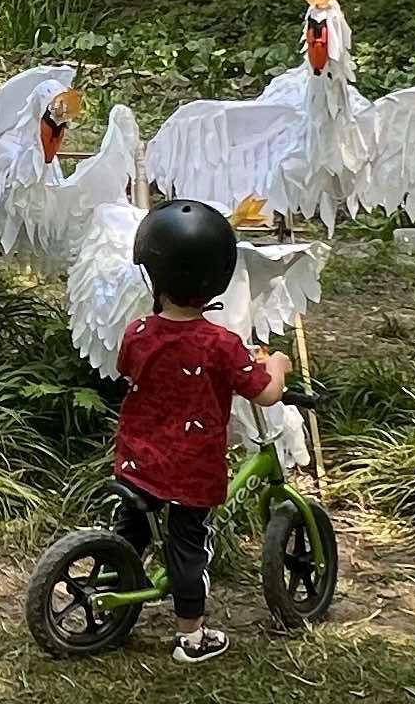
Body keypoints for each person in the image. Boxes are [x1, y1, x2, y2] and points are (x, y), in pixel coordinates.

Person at [112, 198, 291, 664]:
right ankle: (191, 636)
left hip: (137, 458)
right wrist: (276, 364)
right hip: (190, 469)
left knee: (131, 528)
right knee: (188, 546)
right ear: (216, 279)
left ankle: (113, 580)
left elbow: (126, 367)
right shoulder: (221, 345)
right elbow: (265, 394)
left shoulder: (137, 333)